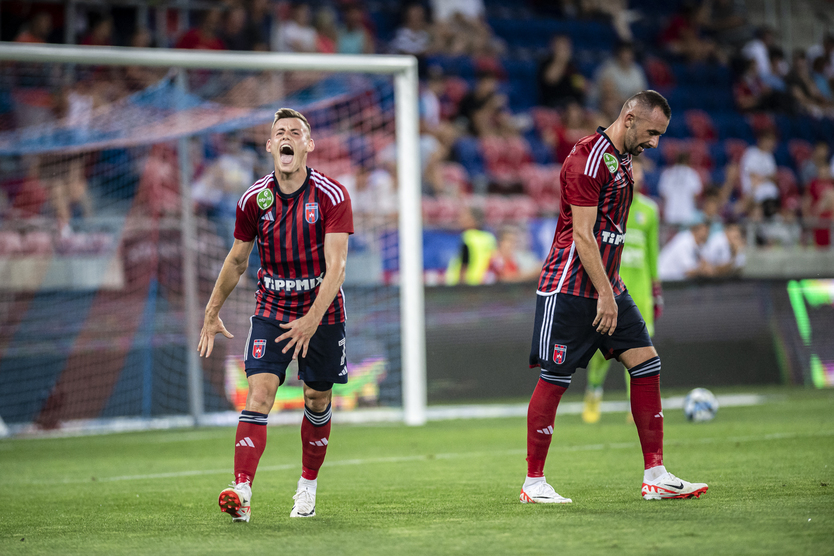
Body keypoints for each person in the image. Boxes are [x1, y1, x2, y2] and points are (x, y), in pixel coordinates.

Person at [521, 90, 708, 505]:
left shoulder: (621, 160)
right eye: (652, 132)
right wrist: (605, 293)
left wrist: (611, 289)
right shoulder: (587, 159)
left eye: (660, 135)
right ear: (629, 118)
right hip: (571, 287)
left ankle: (656, 476)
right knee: (555, 378)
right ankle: (533, 483)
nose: (654, 143)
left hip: (609, 286)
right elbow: (583, 235)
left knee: (646, 362)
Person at [199, 108, 353, 522]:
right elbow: (236, 261)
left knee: (316, 398)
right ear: (270, 146)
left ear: (308, 145)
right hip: (273, 307)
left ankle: (307, 487)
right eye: (279, 132)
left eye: (295, 132)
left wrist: (312, 319)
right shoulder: (253, 199)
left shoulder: (332, 196)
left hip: (322, 310)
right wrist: (212, 311)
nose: (287, 137)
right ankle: (242, 491)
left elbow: (337, 268)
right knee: (260, 394)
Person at [581, 160, 661, 424]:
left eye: (638, 172)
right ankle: (594, 391)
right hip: (610, 290)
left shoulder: (650, 210)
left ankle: (634, 406)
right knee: (601, 352)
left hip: (640, 292)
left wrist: (656, 289)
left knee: (639, 351)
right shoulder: (607, 207)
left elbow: (652, 253)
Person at [445, 205, 497, 285]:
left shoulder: (468, 237)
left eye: (464, 216)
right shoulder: (489, 238)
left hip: (467, 284)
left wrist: (461, 285)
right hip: (484, 283)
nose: (461, 219)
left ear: (473, 220)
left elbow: (464, 263)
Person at [658, 151, 703, 225]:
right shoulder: (692, 174)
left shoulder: (667, 173)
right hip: (687, 214)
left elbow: (663, 194)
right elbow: (696, 194)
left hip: (671, 213)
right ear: (688, 160)